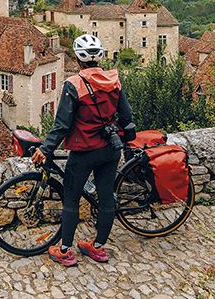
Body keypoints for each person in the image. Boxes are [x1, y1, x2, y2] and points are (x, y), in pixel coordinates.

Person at [32, 34, 134, 267]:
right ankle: (97, 248)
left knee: (71, 200)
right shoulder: (115, 81)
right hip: (110, 149)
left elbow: (62, 125)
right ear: (100, 57)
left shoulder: (74, 84)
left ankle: (66, 251)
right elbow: (127, 116)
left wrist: (46, 149)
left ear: (78, 59)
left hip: (84, 150)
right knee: (107, 197)